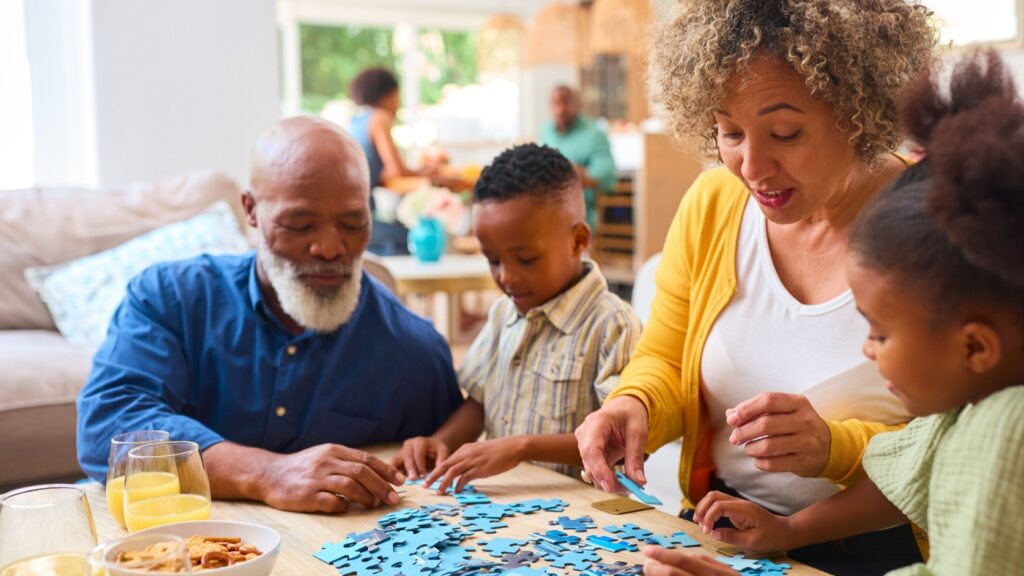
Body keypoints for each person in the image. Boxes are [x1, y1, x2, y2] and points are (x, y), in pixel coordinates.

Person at [574, 1, 934, 573]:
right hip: (721, 528)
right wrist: (632, 405)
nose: (751, 167)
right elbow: (665, 358)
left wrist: (832, 447)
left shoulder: (939, 221)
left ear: (859, 111)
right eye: (729, 132)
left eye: (785, 133)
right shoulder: (714, 204)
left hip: (882, 552)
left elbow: (956, 444)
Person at [689, 50, 1024, 576]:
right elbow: (903, 483)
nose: (866, 349)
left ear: (976, 346)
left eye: (881, 334)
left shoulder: (1006, 436)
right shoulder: (972, 409)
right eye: (729, 133)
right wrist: (790, 530)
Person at [77, 116, 463, 514]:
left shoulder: (413, 350)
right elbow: (106, 428)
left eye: (352, 223)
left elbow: (452, 459)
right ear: (251, 209)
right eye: (300, 224)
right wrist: (265, 473)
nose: (330, 248)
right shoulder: (170, 298)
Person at [391, 144, 641, 491]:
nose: (506, 277)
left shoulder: (613, 324)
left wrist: (522, 447)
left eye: (525, 259)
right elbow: (479, 402)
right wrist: (440, 441)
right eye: (493, 259)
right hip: (507, 509)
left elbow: (620, 438)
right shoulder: (502, 313)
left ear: (578, 240)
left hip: (583, 518)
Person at [348, 67, 443, 255]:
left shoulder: (357, 120)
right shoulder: (379, 118)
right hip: (361, 220)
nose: (398, 103)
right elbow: (396, 169)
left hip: (352, 213)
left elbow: (384, 172)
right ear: (388, 95)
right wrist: (428, 172)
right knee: (411, 236)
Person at [540, 85, 617, 232]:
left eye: (566, 102)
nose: (560, 109)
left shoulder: (594, 134)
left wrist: (569, 174)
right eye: (555, 103)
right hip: (545, 207)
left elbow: (607, 175)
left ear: (576, 105)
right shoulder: (546, 131)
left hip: (579, 212)